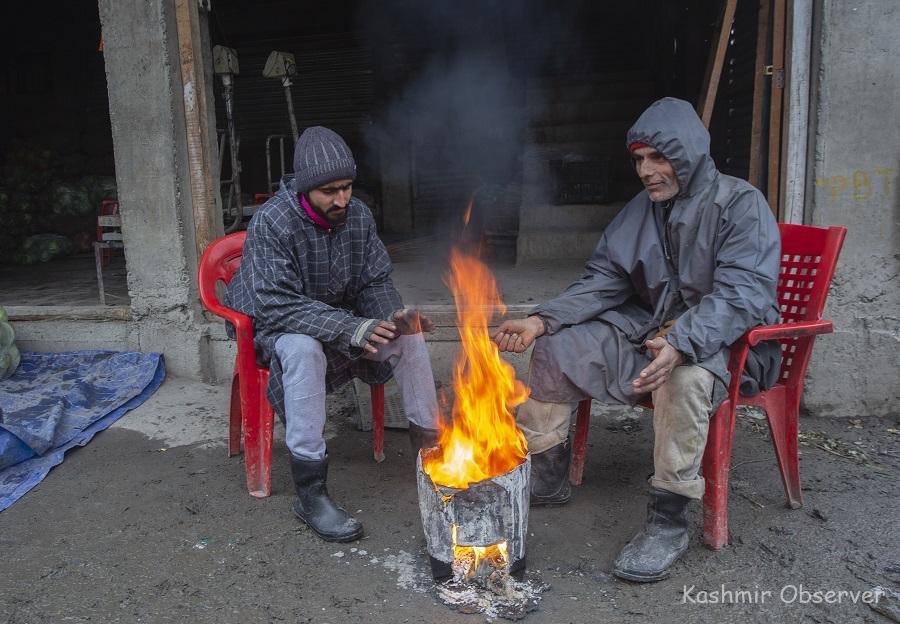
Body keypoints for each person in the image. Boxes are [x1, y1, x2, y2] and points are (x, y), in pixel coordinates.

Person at [494, 98, 781, 582]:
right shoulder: (641, 209)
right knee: (560, 347)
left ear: (687, 155)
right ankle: (547, 474)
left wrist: (682, 339)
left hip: (727, 342)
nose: (646, 171)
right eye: (639, 159)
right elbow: (605, 279)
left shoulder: (739, 203)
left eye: (658, 158)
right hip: (649, 332)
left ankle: (668, 519)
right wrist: (543, 320)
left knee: (685, 377)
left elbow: (744, 293)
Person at [225, 126, 439, 543]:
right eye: (329, 191)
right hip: (281, 327)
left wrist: (392, 316)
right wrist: (351, 327)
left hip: (346, 321)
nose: (342, 199)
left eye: (347, 187)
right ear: (305, 189)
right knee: (304, 351)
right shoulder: (272, 221)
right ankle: (311, 492)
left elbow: (374, 280)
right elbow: (274, 302)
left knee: (410, 338)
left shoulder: (357, 214)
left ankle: (434, 456)